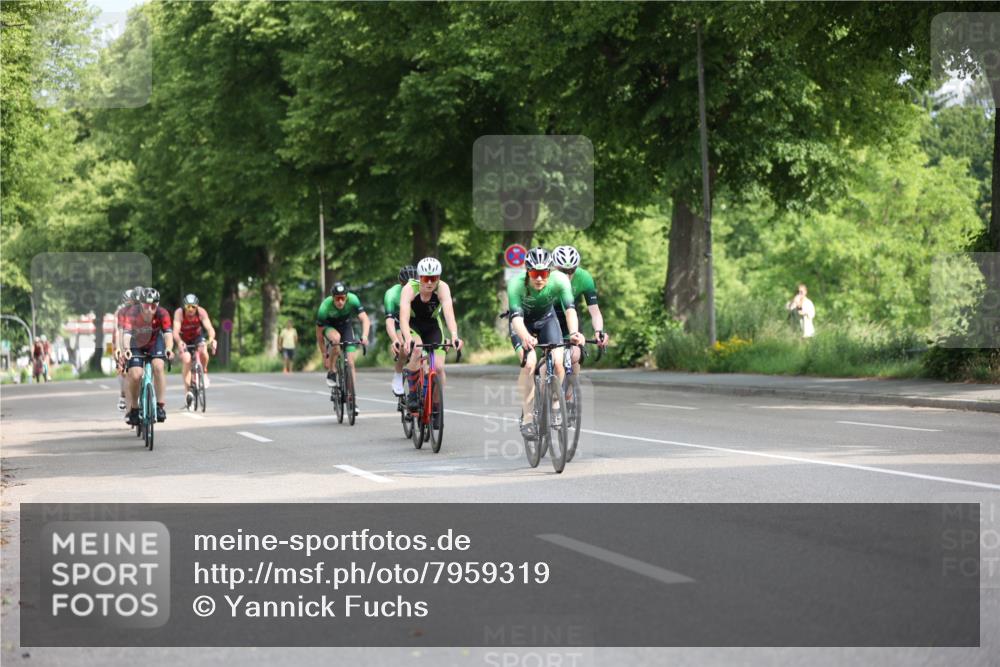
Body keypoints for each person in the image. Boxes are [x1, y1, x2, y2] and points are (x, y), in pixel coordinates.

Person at [506, 247, 585, 439]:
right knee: (530, 363)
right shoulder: (516, 284)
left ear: (550, 272)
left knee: (559, 361)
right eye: (534, 273)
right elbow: (516, 319)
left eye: (543, 273)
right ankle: (528, 417)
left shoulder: (560, 280)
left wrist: (574, 332)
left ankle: (556, 404)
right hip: (522, 323)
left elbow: (570, 310)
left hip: (547, 320)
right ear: (527, 272)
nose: (539, 278)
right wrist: (525, 336)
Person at [399, 257, 463, 414]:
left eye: (433, 278)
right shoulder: (409, 288)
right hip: (413, 325)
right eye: (425, 278)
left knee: (439, 367)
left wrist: (454, 335)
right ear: (419, 277)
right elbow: (403, 318)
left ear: (438, 278)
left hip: (432, 325)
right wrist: (407, 338)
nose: (429, 283)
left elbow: (449, 314)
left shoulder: (443, 288)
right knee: (416, 350)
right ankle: (413, 394)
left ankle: (435, 406)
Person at [552, 245, 609, 373]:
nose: (567, 275)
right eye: (563, 271)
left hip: (571, 314)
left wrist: (599, 331)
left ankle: (571, 391)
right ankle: (543, 380)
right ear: (555, 267)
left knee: (576, 355)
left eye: (571, 270)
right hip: (550, 314)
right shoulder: (547, 277)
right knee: (552, 355)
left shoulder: (584, 278)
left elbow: (595, 311)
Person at [122, 288, 175, 424]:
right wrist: (127, 349)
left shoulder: (162, 313)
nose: (150, 309)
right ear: (141, 304)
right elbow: (127, 334)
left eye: (153, 305)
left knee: (158, 366)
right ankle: (134, 407)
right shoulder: (132, 313)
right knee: (135, 375)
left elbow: (168, 334)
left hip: (154, 342)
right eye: (146, 305)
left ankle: (160, 406)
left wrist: (169, 348)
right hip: (136, 344)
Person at [315, 282, 370, 412]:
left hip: (345, 326)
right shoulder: (324, 307)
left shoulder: (353, 299)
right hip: (329, 327)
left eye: (342, 298)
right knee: (336, 339)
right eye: (337, 298)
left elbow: (365, 319)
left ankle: (351, 397)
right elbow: (319, 334)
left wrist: (365, 336)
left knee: (350, 362)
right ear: (332, 297)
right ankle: (332, 370)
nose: (340, 301)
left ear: (347, 297)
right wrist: (324, 355)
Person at [173, 293, 217, 407]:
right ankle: (188, 391)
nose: (191, 309)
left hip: (197, 337)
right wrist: (179, 342)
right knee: (187, 359)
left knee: (203, 349)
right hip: (184, 339)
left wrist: (211, 339)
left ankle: (204, 372)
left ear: (197, 307)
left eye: (193, 307)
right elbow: (175, 331)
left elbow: (210, 328)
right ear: (184, 307)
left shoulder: (201, 312)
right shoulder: (179, 313)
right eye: (188, 306)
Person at [384, 265, 418, 395]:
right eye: (406, 285)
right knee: (404, 347)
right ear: (401, 283)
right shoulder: (392, 295)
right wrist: (394, 340)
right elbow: (390, 321)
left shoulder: (422, 289)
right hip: (399, 322)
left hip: (416, 322)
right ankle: (398, 374)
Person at [113, 287, 140, 410]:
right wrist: (119, 348)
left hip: (138, 339)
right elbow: (119, 331)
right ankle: (123, 394)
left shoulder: (142, 310)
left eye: (133, 303)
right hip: (123, 339)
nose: (131, 306)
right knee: (122, 369)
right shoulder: (121, 312)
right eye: (128, 303)